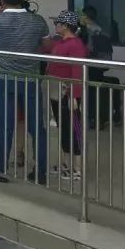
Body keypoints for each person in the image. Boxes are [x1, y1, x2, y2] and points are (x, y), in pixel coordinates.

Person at [0, 0, 50, 184]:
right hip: (30, 79)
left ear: (0, 0)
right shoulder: (37, 21)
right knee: (36, 126)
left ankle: (1, 169)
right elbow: (45, 45)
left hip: (5, 79)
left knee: (5, 125)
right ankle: (40, 171)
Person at [42, 11, 88, 180]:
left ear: (66, 26)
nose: (56, 26)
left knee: (73, 129)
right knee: (64, 128)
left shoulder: (75, 44)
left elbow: (77, 71)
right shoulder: (61, 42)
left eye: (58, 24)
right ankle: (66, 164)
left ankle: (77, 167)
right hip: (57, 90)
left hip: (67, 92)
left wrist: (75, 96)